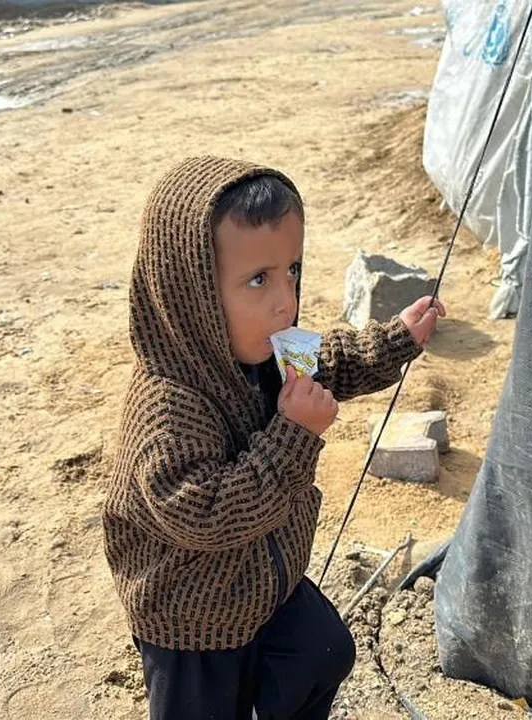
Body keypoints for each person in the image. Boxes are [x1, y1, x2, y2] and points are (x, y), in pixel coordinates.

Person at [103, 156, 446, 719]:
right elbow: (208, 515)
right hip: (191, 618)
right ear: (190, 294)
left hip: (263, 585)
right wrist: (294, 435)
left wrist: (396, 341)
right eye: (258, 279)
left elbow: (329, 363)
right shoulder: (167, 407)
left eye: (293, 269)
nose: (285, 299)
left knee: (325, 652)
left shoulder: (270, 346)